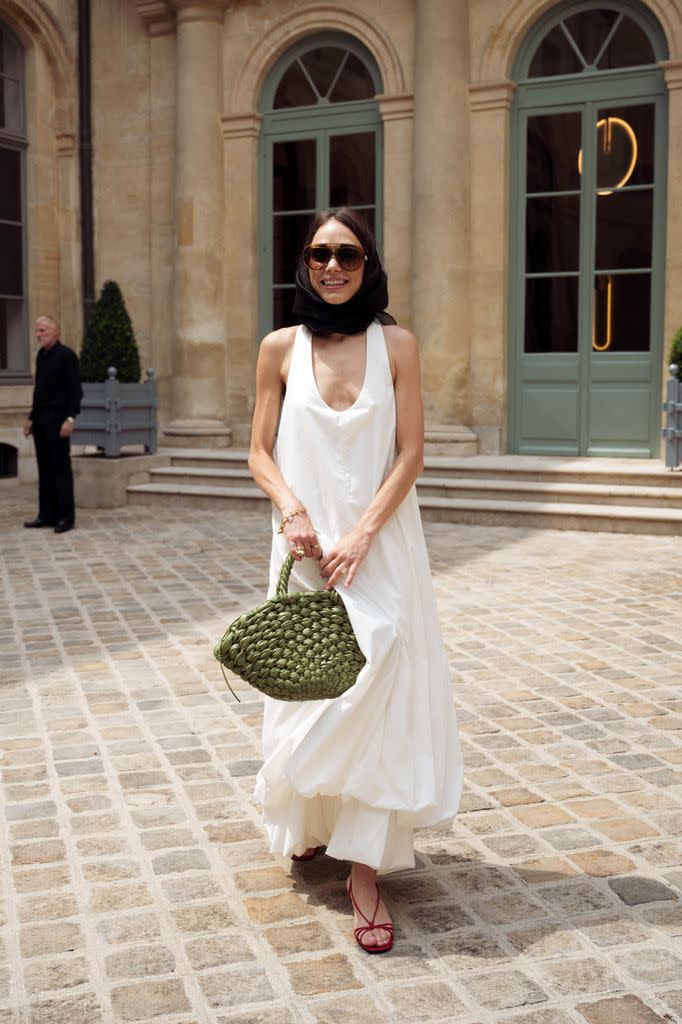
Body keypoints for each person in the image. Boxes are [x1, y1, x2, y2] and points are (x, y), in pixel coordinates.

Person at [248, 208, 463, 954]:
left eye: (346, 254)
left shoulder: (395, 344)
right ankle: (309, 823)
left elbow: (411, 453)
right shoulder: (280, 347)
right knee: (310, 690)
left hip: (381, 541)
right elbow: (258, 452)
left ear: (369, 263)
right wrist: (293, 510)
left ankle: (364, 870)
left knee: (382, 689)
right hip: (304, 547)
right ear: (303, 264)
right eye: (317, 254)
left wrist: (365, 530)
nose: (330, 266)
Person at [23, 316, 82, 534]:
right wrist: (31, 417)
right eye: (37, 330)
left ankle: (65, 518)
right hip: (40, 418)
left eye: (42, 330)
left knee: (60, 469)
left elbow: (75, 392)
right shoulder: (41, 355)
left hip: (58, 419)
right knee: (45, 468)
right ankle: (46, 515)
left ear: (56, 332)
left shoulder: (67, 356)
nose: (38, 334)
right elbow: (40, 391)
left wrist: (70, 419)